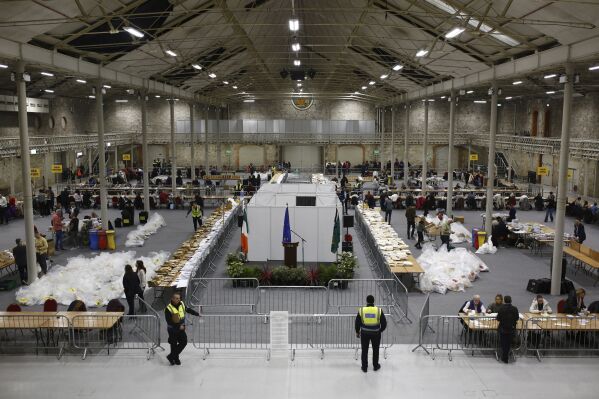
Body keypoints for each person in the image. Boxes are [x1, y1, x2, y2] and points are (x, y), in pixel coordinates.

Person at [165, 292, 200, 365]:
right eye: (176, 298)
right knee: (173, 344)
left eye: (179, 298)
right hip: (172, 329)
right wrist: (178, 326)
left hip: (181, 328)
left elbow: (188, 310)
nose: (178, 299)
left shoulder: (182, 304)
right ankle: (175, 358)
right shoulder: (168, 308)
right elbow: (169, 321)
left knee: (184, 342)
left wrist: (197, 314)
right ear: (172, 299)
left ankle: (171, 356)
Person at [355, 295, 387, 372]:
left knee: (364, 350)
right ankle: (375, 366)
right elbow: (384, 323)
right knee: (376, 350)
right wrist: (380, 330)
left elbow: (357, 323)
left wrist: (357, 331)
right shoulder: (379, 310)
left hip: (364, 333)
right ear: (373, 301)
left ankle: (364, 367)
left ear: (367, 301)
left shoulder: (362, 310)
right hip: (376, 334)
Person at [496, 295, 519, 364]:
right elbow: (517, 318)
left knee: (503, 342)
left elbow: (498, 318)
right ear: (511, 300)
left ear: (504, 301)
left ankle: (504, 356)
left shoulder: (501, 308)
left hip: (503, 328)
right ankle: (506, 356)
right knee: (508, 343)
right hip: (511, 328)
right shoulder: (515, 308)